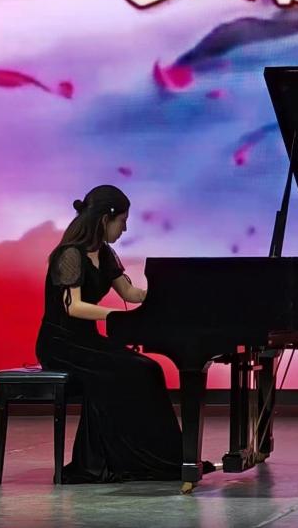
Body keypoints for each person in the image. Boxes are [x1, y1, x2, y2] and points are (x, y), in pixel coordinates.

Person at [35, 184, 207, 483]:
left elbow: (130, 292)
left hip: (87, 342)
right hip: (61, 344)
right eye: (122, 221)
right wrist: (117, 316)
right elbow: (73, 307)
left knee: (148, 368)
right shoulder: (70, 255)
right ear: (105, 219)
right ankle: (116, 459)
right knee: (131, 370)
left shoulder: (104, 254)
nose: (124, 229)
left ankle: (159, 457)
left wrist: (170, 295)